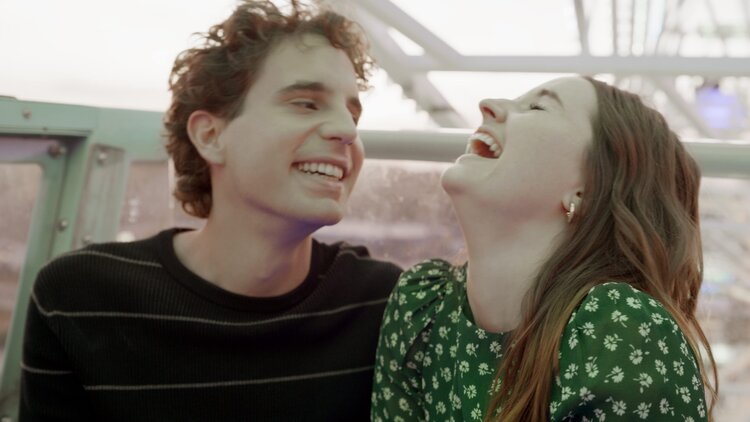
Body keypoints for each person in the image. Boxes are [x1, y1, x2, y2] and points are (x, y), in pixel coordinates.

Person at [20, 1, 401, 420]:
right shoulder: (79, 298)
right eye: (306, 103)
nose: (347, 131)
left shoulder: (387, 304)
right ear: (211, 135)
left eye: (352, 113)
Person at [371, 76, 718, 421]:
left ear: (588, 191)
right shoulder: (422, 306)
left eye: (538, 106)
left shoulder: (621, 331)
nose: (488, 105)